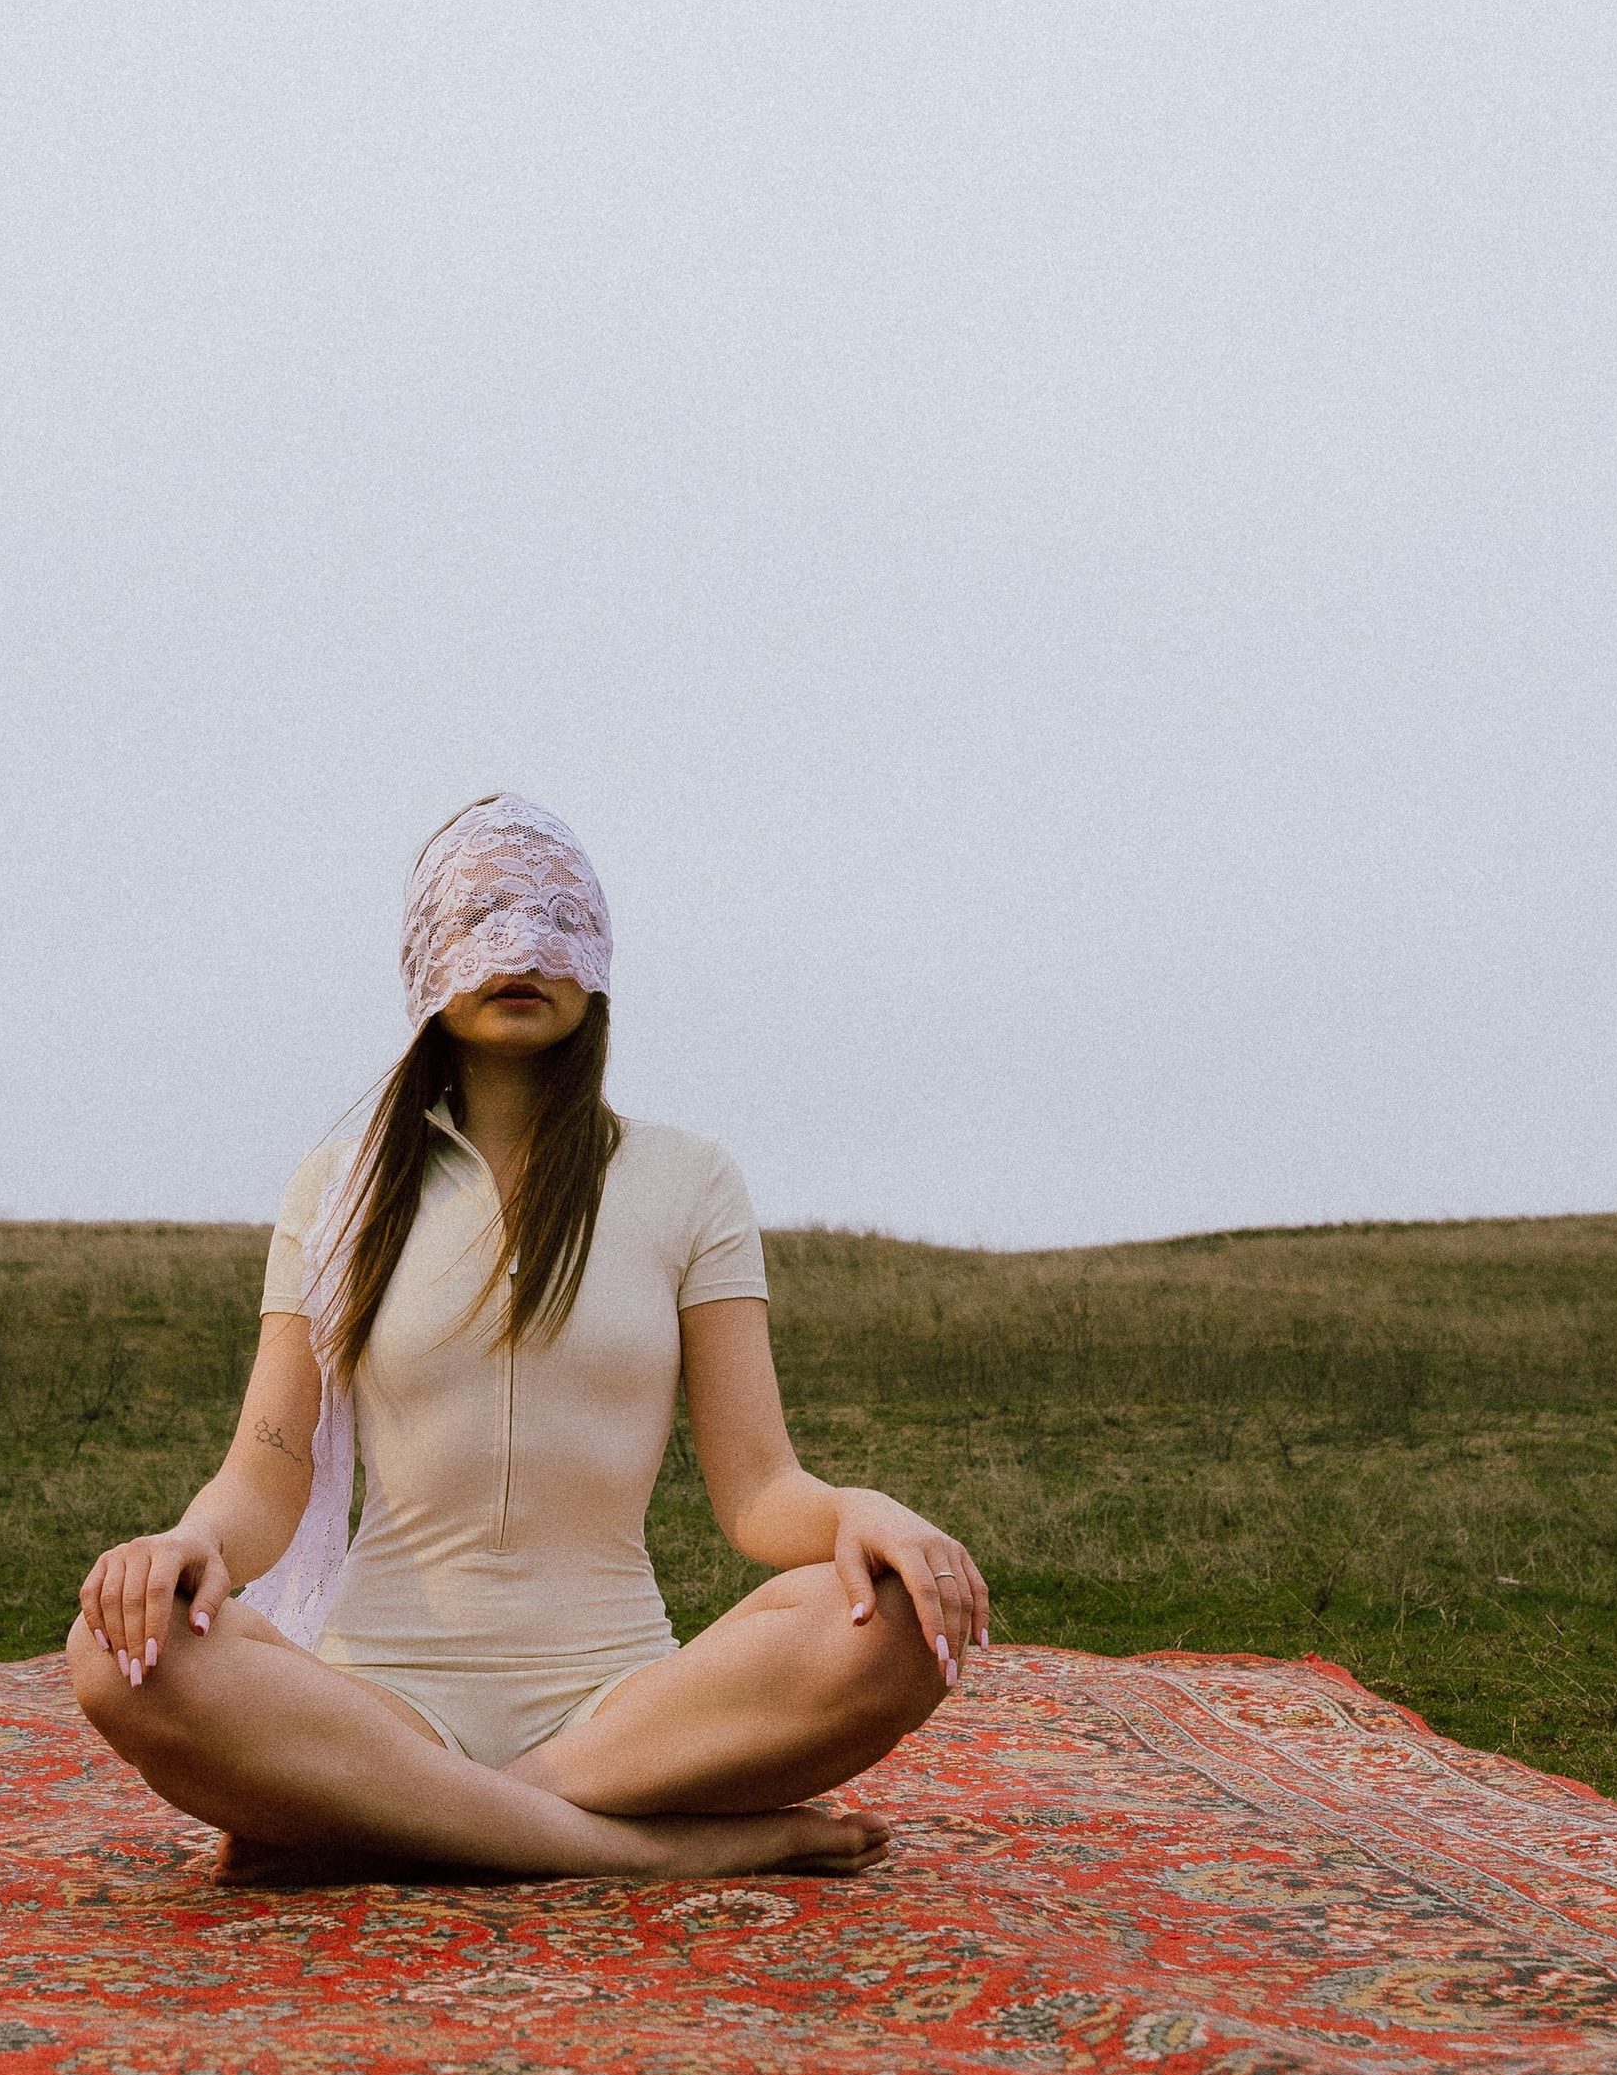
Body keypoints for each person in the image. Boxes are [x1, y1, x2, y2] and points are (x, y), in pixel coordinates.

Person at [70, 794, 989, 1879]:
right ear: (422, 955)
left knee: (901, 1618)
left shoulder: (686, 1180)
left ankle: (383, 1821)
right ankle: (661, 1849)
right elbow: (264, 1478)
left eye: (556, 916)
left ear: (597, 959)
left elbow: (757, 1489)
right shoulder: (339, 1190)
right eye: (484, 915)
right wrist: (187, 1545)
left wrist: (860, 1510)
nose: (522, 950)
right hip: (380, 1700)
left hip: (625, 1712)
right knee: (114, 1649)